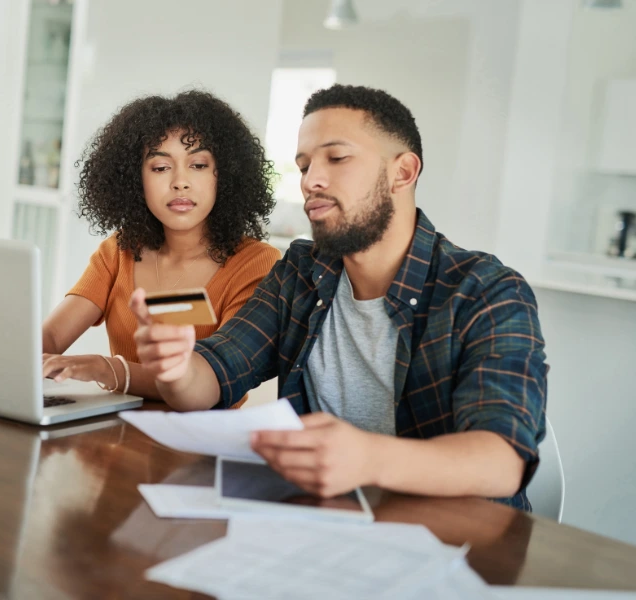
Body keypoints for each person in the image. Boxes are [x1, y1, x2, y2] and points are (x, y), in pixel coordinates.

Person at [130, 84, 547, 510]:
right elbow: (213, 377)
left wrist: (368, 459)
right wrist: (178, 369)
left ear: (402, 172)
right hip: (323, 524)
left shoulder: (486, 291)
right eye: (304, 165)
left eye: (337, 158)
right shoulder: (301, 272)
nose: (312, 181)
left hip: (452, 543)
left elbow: (502, 461)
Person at [42, 90, 281, 401]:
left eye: (198, 165)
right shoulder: (119, 251)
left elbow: (215, 377)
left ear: (225, 175)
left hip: (200, 442)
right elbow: (51, 337)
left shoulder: (256, 262)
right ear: (133, 179)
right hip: (113, 436)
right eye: (160, 167)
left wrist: (107, 369)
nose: (180, 182)